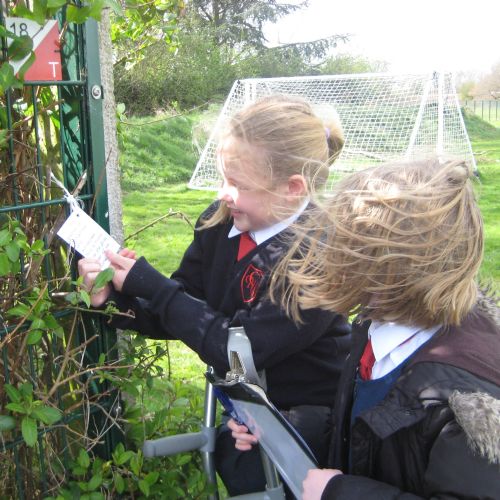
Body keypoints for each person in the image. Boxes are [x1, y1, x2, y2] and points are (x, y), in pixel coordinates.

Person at [78, 95, 351, 496]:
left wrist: (153, 285)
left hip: (311, 428)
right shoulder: (220, 221)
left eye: (238, 185)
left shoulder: (317, 258)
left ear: (293, 188)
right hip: (250, 412)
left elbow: (240, 351)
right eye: (223, 178)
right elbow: (181, 310)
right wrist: (116, 299)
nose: (224, 193)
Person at [264, 157, 499, 498]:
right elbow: (366, 432)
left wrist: (339, 493)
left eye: (349, 250)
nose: (333, 258)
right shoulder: (376, 327)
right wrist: (284, 427)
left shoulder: (466, 401)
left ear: (392, 270)